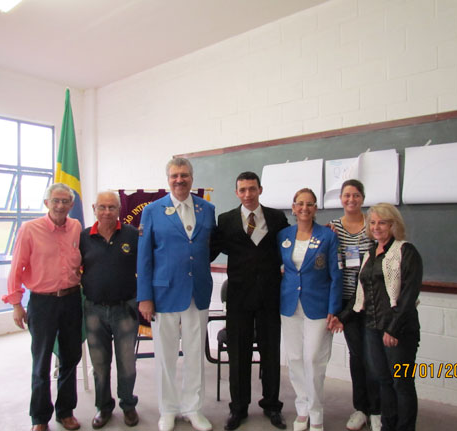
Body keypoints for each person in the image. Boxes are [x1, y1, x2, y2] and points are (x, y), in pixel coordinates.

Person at [137, 157, 216, 431]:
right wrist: (145, 297)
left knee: (195, 354)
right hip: (164, 293)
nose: (179, 180)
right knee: (166, 355)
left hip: (198, 291)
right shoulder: (152, 210)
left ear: (192, 178)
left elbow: (206, 248)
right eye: (174, 176)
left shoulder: (207, 208)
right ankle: (168, 409)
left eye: (184, 175)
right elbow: (144, 257)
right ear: (168, 179)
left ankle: (193, 408)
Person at [330, 203, 423, 431]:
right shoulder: (370, 254)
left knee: (402, 382)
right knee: (383, 381)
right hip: (372, 328)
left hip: (399, 331)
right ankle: (387, 426)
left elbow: (409, 296)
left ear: (393, 225)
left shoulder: (406, 251)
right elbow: (360, 296)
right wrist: (342, 317)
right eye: (372, 223)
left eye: (382, 222)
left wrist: (393, 329)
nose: (376, 227)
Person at [211, 171, 289, 431]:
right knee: (238, 355)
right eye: (242, 190)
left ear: (260, 190)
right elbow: (211, 250)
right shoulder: (225, 220)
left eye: (252, 189)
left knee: (270, 353)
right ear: (236, 192)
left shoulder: (277, 218)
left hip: (270, 295)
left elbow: (291, 244)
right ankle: (238, 408)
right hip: (239, 297)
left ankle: (272, 405)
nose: (247, 194)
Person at [2, 183, 82, 431]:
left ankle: (66, 412)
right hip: (42, 302)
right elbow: (16, 268)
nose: (60, 205)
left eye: (65, 201)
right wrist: (16, 304)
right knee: (41, 361)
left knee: (70, 357)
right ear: (46, 203)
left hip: (71, 300)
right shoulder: (29, 229)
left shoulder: (76, 227)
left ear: (71, 205)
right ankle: (39, 417)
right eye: (55, 201)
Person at [277, 188, 342, 431]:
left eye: (310, 204)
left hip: (319, 306)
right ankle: (302, 408)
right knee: (294, 358)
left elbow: (336, 275)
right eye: (300, 204)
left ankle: (316, 412)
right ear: (293, 208)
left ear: (315, 208)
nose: (304, 208)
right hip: (289, 304)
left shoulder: (328, 236)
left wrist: (334, 308)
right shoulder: (283, 235)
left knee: (313, 359)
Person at [80, 191, 140, 429]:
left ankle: (128, 405)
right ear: (94, 208)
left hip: (125, 308)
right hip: (94, 310)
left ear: (119, 210)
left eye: (112, 207)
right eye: (102, 207)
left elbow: (145, 267)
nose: (107, 212)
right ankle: (103, 407)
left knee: (127, 363)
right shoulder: (83, 237)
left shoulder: (132, 235)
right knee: (100, 365)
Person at [329, 180, 380, 431]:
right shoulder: (333, 228)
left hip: (371, 301)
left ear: (363, 198)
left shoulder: (373, 225)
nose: (351, 199)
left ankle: (377, 410)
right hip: (346, 303)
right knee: (357, 356)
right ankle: (361, 409)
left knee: (374, 357)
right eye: (347, 195)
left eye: (356, 195)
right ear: (340, 198)